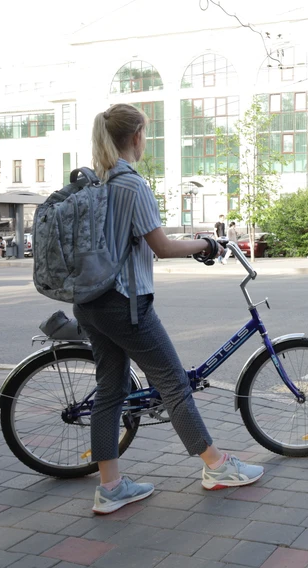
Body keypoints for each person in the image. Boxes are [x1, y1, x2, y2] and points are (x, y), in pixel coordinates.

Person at [74, 104, 263, 515]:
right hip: (125, 303)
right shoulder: (131, 184)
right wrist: (205, 244)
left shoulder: (96, 181)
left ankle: (110, 487)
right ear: (138, 135)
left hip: (89, 301)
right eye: (147, 132)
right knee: (174, 384)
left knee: (111, 390)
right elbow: (161, 246)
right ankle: (216, 466)